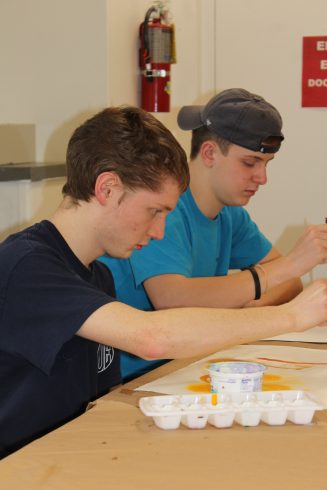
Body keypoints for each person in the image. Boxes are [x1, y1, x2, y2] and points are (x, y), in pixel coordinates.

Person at [1, 106, 327, 459]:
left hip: (72, 455)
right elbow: (152, 338)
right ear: (108, 188)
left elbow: (100, 402)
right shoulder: (26, 265)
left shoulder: (99, 276)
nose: (158, 232)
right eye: (154, 212)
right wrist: (293, 316)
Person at [99, 89, 327, 381]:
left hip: (187, 367)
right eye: (250, 163)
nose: (262, 178)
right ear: (209, 153)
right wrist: (287, 267)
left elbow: (290, 284)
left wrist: (247, 311)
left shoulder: (230, 213)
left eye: (266, 164)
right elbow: (173, 299)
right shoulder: (163, 210)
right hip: (135, 378)